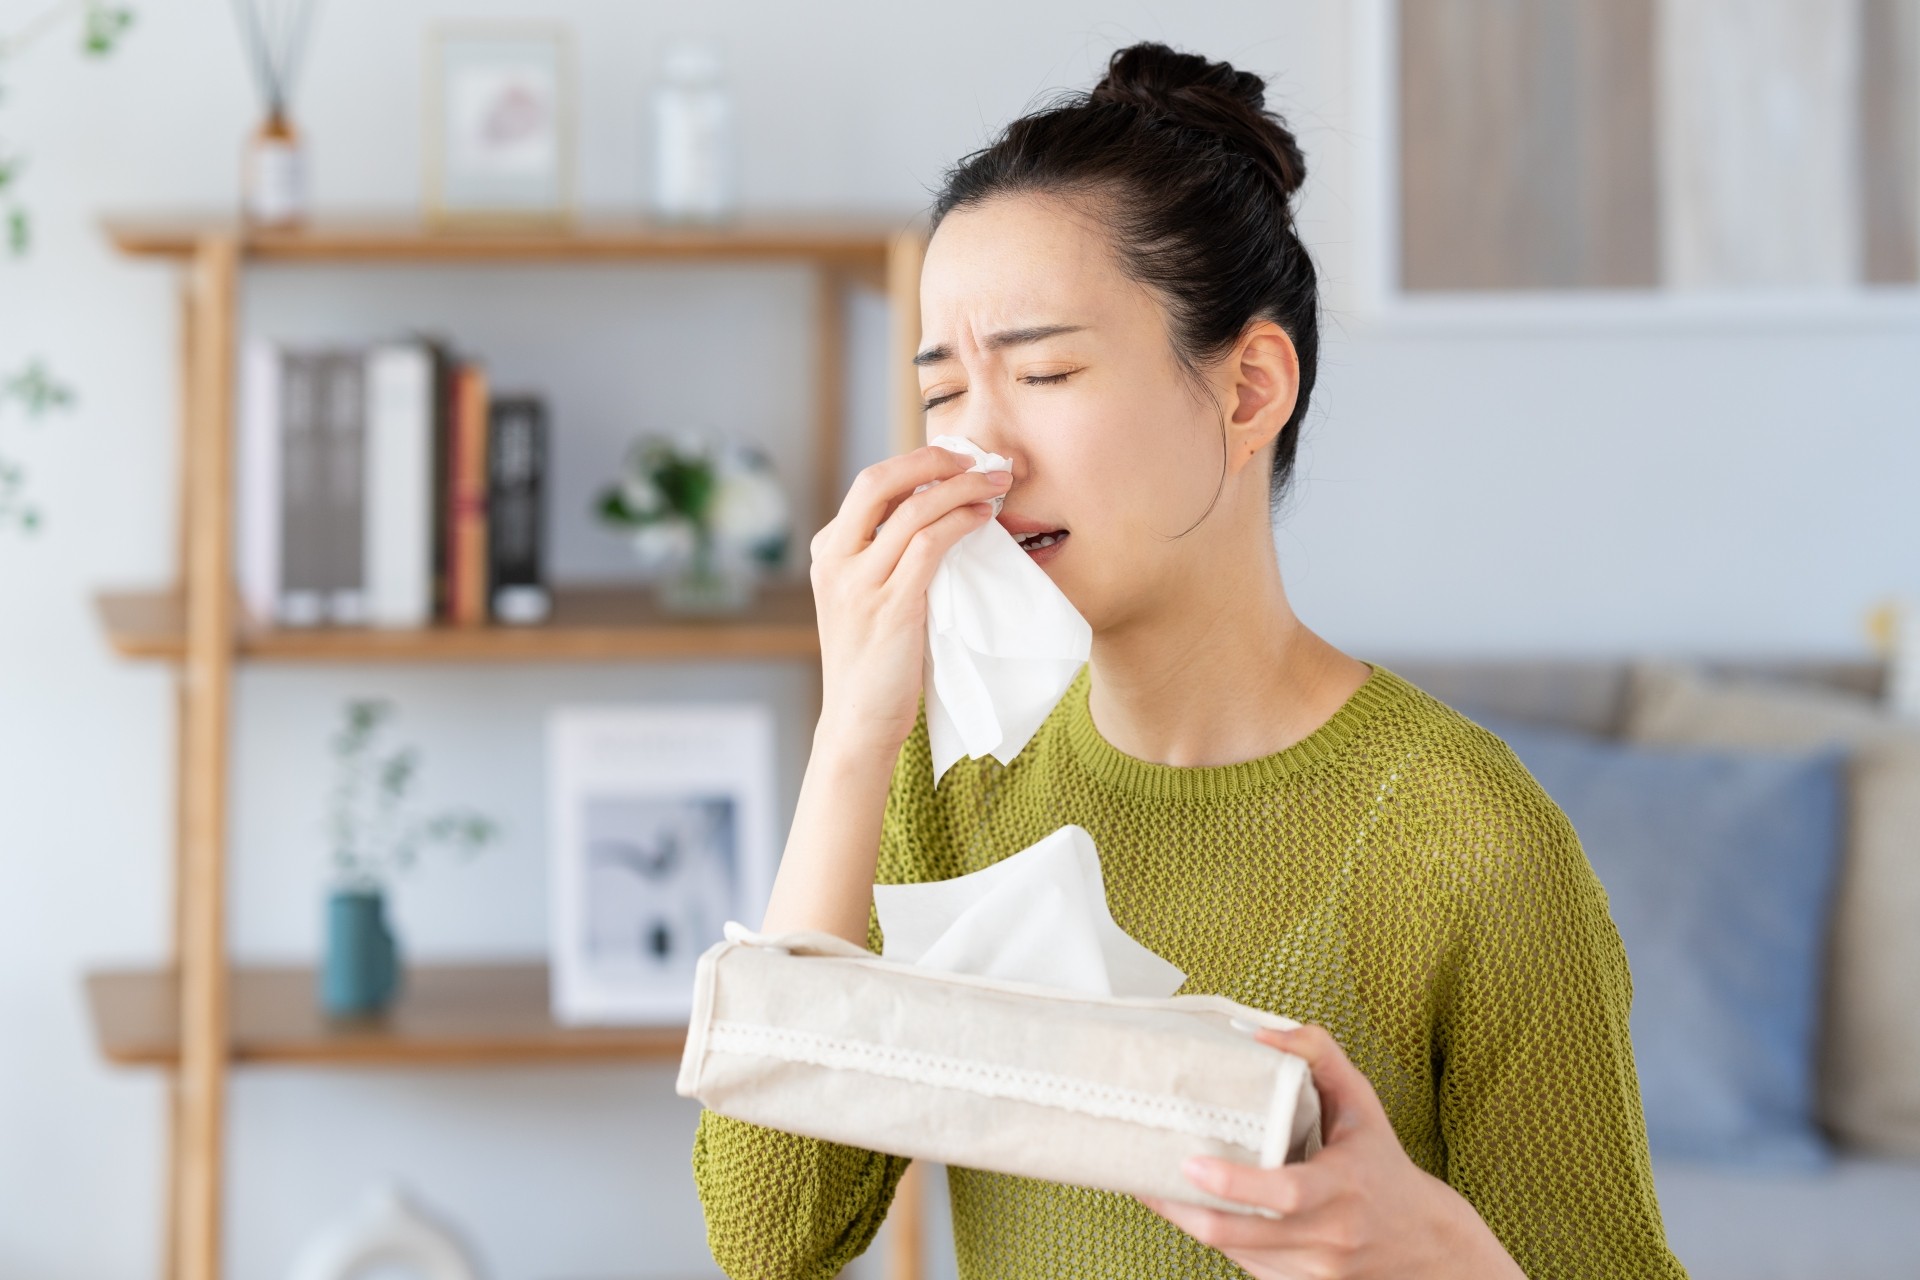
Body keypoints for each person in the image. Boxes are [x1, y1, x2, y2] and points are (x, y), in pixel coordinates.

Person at [691, 40, 1690, 1280]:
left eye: (1046, 370)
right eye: (943, 395)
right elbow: (769, 1235)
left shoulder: (1470, 839)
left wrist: (1440, 1254)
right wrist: (852, 735)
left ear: (1249, 388)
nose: (977, 454)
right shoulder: (954, 780)